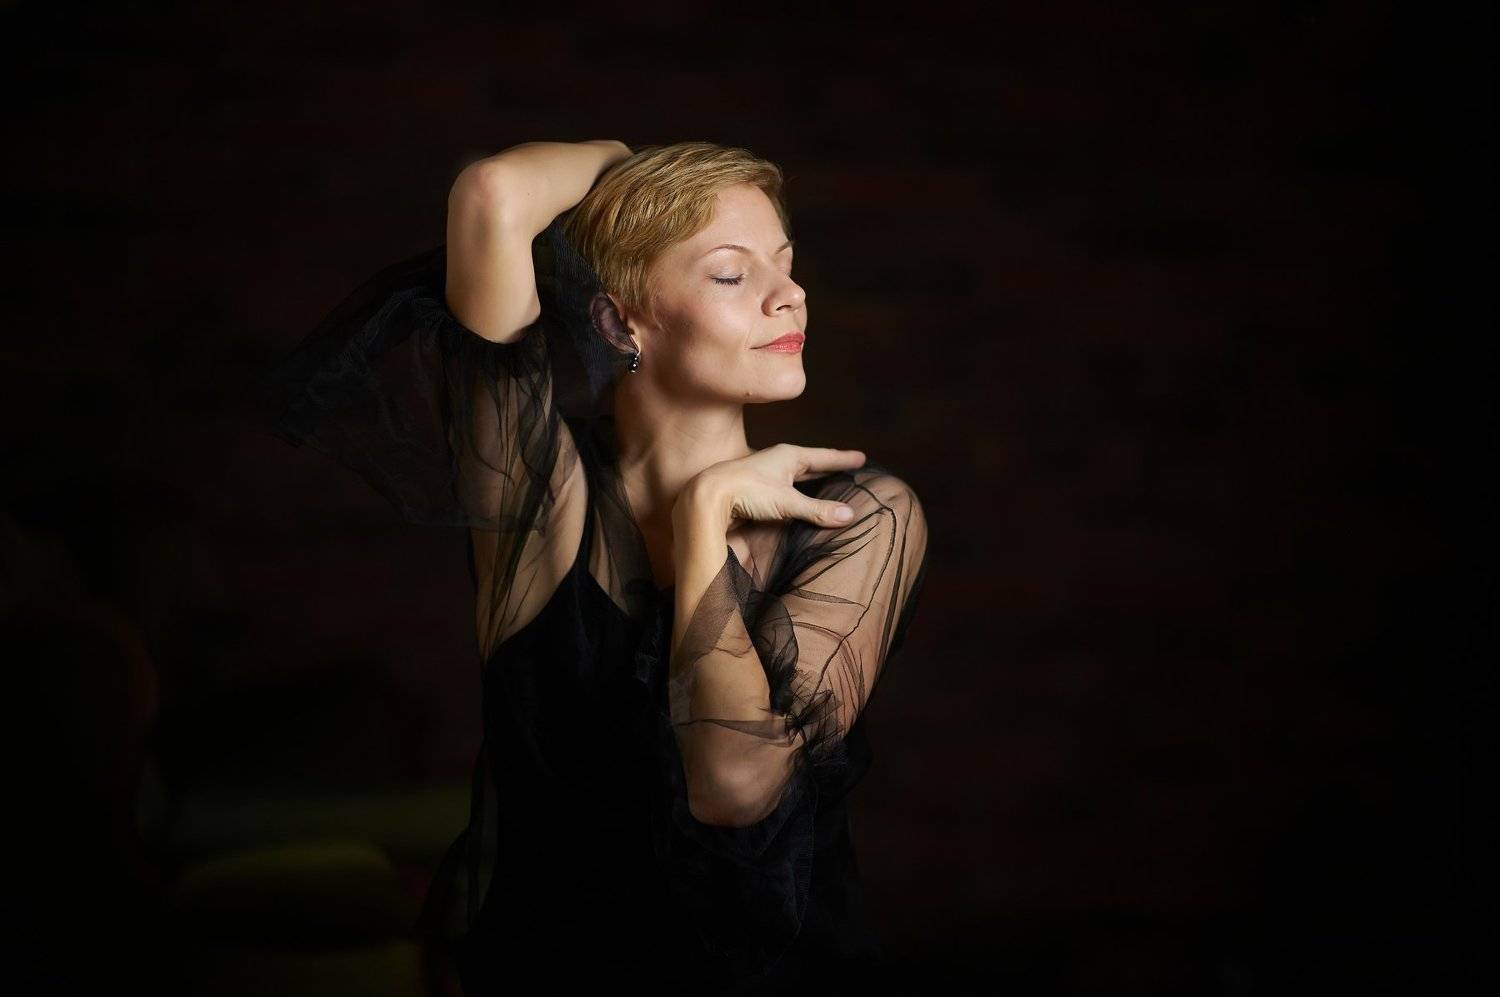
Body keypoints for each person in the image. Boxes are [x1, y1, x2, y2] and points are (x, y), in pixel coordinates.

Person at [260, 138, 932, 994]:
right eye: (733, 273)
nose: (788, 293)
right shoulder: (542, 500)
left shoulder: (862, 513)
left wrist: (702, 522)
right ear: (619, 324)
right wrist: (626, 163)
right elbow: (492, 195)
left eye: (786, 263)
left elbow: (733, 785)